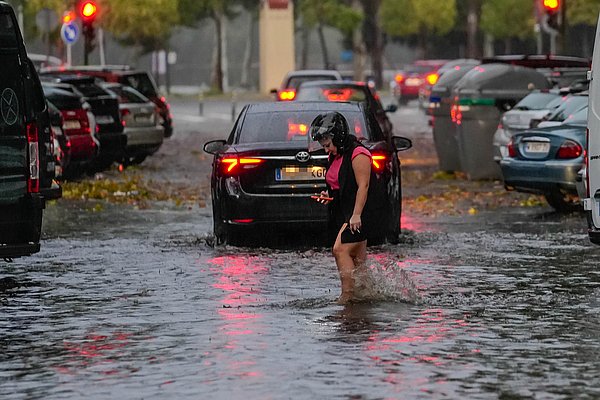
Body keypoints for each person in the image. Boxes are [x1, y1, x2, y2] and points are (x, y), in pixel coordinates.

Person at [310, 111, 379, 304]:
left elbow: (363, 186)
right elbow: (341, 184)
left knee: (340, 250)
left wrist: (356, 215)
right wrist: (329, 196)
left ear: (337, 137)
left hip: (361, 213)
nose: (325, 150)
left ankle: (347, 297)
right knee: (358, 261)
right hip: (347, 212)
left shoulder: (358, 154)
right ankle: (366, 297)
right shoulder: (337, 154)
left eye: (327, 145)